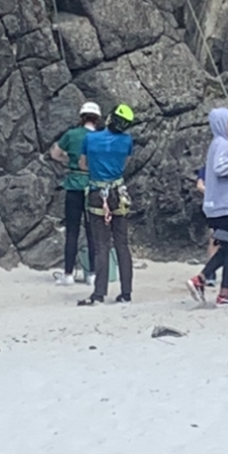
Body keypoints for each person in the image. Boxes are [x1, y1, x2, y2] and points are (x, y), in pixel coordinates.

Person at [187, 108, 228, 306]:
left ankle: (207, 282)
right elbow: (220, 168)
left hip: (217, 206)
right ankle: (219, 290)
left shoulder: (217, 143)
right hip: (224, 206)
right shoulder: (222, 143)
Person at [77, 104, 135, 306]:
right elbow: (125, 163)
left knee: (101, 245)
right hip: (118, 193)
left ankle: (99, 293)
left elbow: (82, 164)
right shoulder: (127, 141)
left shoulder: (90, 139)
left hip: (97, 192)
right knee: (122, 244)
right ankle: (126, 293)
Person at [50, 102, 101, 286]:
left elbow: (55, 154)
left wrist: (68, 159)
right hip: (93, 186)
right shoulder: (101, 137)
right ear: (97, 119)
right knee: (93, 231)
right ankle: (92, 274)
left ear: (81, 117)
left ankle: (68, 274)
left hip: (73, 185)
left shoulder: (71, 135)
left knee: (72, 231)